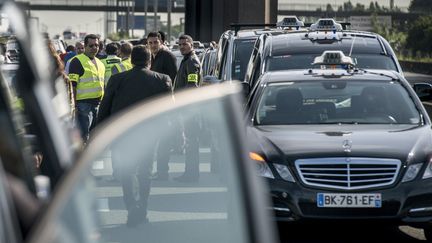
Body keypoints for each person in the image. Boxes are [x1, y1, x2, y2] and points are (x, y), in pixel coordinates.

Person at [97, 45, 172, 227]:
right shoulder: (162, 79)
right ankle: (143, 208)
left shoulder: (117, 79)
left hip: (124, 131)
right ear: (149, 61)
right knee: (145, 172)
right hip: (150, 133)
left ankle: (131, 207)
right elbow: (169, 111)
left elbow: (104, 107)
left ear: (131, 60)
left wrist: (100, 133)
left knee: (127, 172)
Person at [147, 31, 178, 180]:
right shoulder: (152, 56)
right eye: (150, 42)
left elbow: (172, 80)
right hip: (153, 103)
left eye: (155, 42)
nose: (153, 45)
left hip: (164, 104)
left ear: (161, 42)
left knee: (163, 141)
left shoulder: (167, 56)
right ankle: (160, 171)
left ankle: (163, 172)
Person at [173, 35, 202, 182]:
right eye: (180, 45)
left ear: (192, 45)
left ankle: (191, 174)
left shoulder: (191, 62)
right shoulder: (186, 60)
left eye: (185, 44)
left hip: (190, 110)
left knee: (191, 143)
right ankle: (190, 173)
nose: (182, 46)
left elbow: (192, 86)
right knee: (190, 143)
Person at [68, 34, 105, 142]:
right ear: (85, 46)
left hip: (97, 104)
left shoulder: (100, 63)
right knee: (84, 137)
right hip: (83, 105)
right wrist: (74, 106)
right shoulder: (77, 61)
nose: (94, 48)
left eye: (97, 45)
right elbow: (72, 85)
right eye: (91, 45)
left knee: (94, 137)